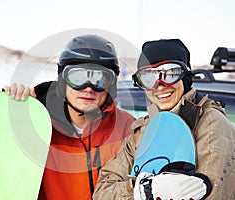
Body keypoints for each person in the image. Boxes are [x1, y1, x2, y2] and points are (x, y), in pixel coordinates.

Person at [93, 39, 235, 199]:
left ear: (185, 76)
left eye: (170, 74)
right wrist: (140, 187)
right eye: (148, 77)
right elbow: (102, 192)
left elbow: (212, 192)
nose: (160, 86)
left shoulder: (210, 123)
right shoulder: (144, 130)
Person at [4, 34, 136, 199]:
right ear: (63, 80)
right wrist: (12, 111)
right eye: (78, 77)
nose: (88, 88)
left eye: (100, 79)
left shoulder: (129, 129)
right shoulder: (37, 124)